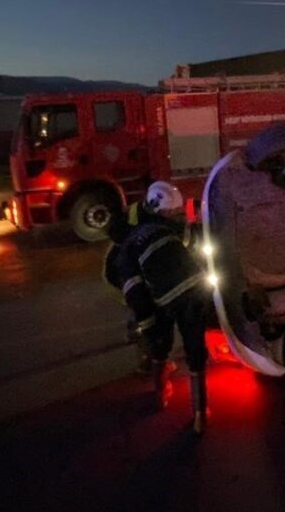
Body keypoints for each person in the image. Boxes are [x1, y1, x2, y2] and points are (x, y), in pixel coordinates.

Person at [112, 181, 211, 435]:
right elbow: (194, 237)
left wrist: (148, 326)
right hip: (194, 290)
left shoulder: (126, 248)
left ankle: (160, 394)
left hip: (163, 299)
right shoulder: (165, 228)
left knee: (160, 347)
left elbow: (135, 294)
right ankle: (200, 413)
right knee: (195, 349)